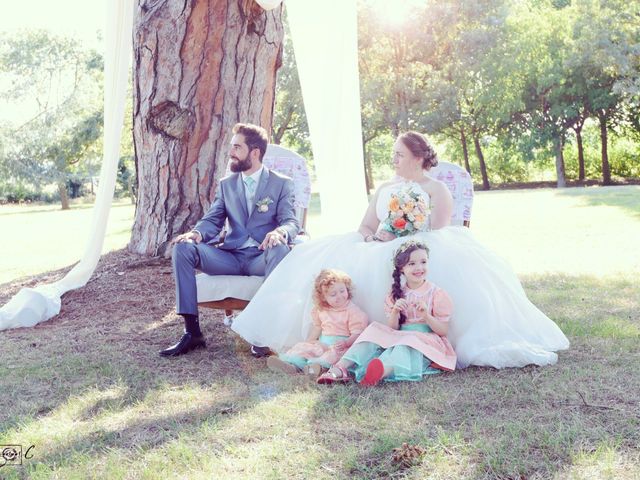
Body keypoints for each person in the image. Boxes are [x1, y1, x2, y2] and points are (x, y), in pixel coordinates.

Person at [231, 131, 570, 369]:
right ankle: (327, 339)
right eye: (392, 154)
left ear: (419, 157)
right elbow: (365, 224)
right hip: (379, 244)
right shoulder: (386, 188)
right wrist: (370, 237)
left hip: (418, 249)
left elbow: (439, 232)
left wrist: (402, 234)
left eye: (399, 154)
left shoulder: (436, 189)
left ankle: (399, 340)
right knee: (321, 257)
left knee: (403, 263)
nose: (393, 159)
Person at [160, 123, 299, 357]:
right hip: (230, 257)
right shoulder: (227, 184)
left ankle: (262, 333)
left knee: (280, 250)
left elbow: (291, 221)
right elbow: (213, 219)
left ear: (254, 152)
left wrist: (279, 233)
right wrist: (196, 234)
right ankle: (192, 333)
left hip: (260, 257)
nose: (231, 152)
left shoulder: (281, 183)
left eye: (237, 147)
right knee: (183, 247)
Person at [317, 241, 456, 385]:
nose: (419, 267)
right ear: (401, 268)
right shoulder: (395, 293)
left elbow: (443, 330)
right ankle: (339, 369)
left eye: (423, 262)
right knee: (373, 331)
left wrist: (426, 316)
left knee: (405, 345)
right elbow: (392, 329)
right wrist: (395, 311)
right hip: (400, 334)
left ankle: (379, 373)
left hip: (424, 339)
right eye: (412, 263)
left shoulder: (436, 293)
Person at [266, 269, 368, 376]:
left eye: (342, 291)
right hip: (322, 343)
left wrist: (346, 343)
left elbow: (357, 333)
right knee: (304, 349)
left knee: (329, 357)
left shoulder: (353, 312)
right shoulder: (322, 310)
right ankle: (291, 366)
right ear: (324, 297)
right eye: (333, 294)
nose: (339, 296)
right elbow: (318, 327)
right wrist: (310, 341)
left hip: (339, 346)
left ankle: (314, 370)